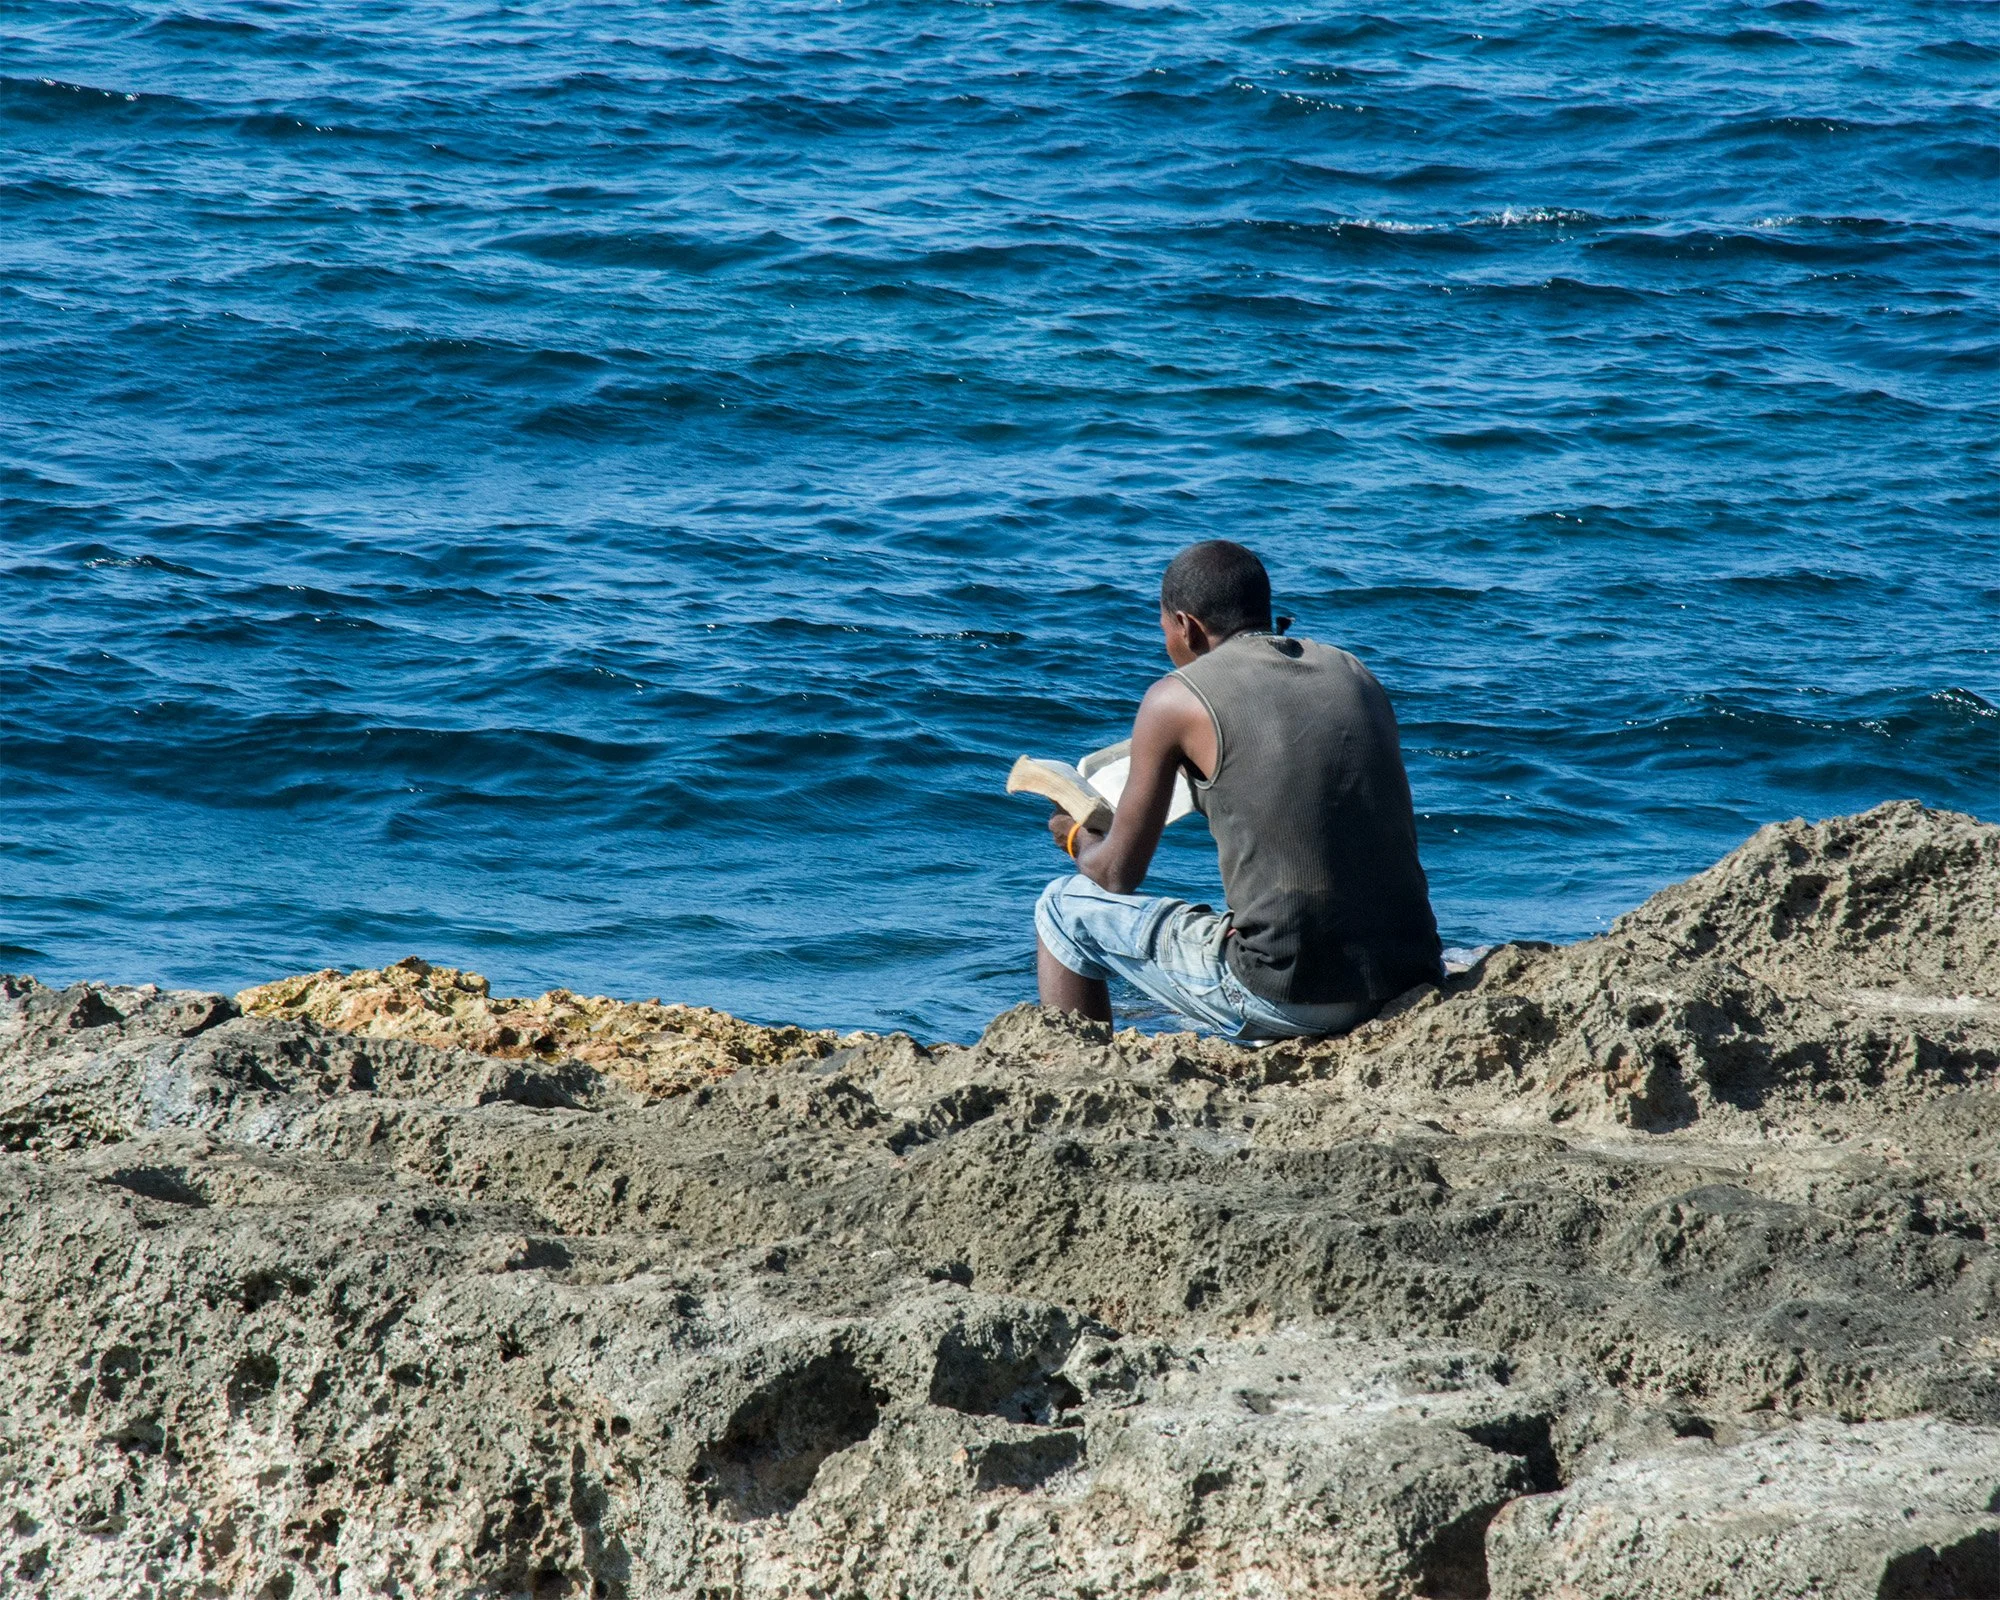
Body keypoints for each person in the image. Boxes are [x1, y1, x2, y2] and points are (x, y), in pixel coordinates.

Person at [1034, 540, 1442, 1039]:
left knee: (1061, 907)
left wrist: (1075, 835)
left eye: (1165, 631)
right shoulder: (1353, 671)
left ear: (1186, 626)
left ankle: (1081, 1062)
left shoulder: (1173, 700)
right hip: (1411, 975)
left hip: (1292, 995)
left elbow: (1117, 875)